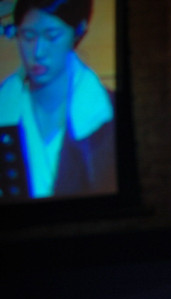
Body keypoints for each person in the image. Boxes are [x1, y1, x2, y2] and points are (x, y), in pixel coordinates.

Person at [0, 0, 115, 199]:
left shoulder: (109, 113)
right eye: (28, 37)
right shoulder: (5, 105)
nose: (38, 52)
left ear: (79, 31)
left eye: (52, 36)